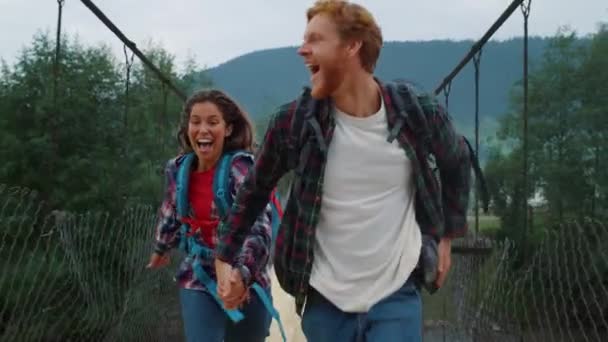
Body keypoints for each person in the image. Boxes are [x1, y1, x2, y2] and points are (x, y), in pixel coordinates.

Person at [215, 0, 473, 341]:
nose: (301, 50)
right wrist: (224, 259)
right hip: (324, 299)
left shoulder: (414, 111)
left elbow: (457, 160)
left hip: (395, 292)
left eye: (315, 39)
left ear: (353, 45)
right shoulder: (294, 123)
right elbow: (253, 192)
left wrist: (446, 238)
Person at [146, 89, 275, 342]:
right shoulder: (177, 169)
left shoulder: (242, 168)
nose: (203, 129)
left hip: (245, 275)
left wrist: (242, 274)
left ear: (227, 129)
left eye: (212, 122)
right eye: (196, 122)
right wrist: (161, 248)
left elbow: (258, 226)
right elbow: (170, 210)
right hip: (199, 275)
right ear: (187, 128)